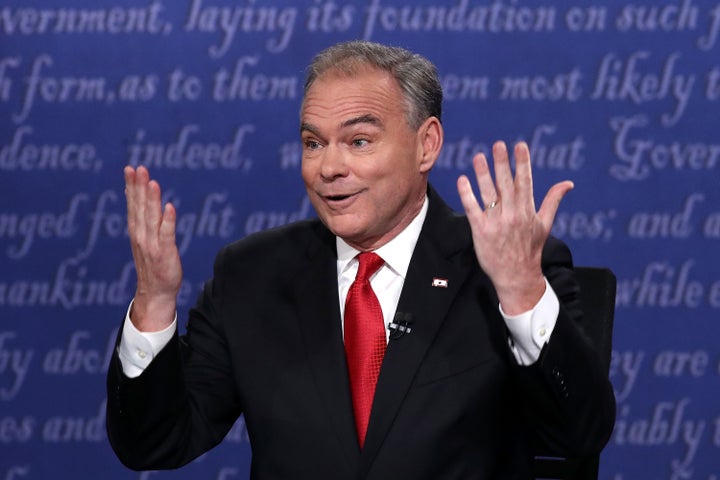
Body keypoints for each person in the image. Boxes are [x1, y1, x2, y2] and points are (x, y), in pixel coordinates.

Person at [106, 40, 615, 479]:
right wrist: (153, 302)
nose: (329, 167)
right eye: (313, 143)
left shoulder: (504, 270)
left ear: (426, 145)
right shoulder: (251, 275)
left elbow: (579, 435)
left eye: (359, 141)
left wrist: (523, 291)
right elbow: (155, 443)